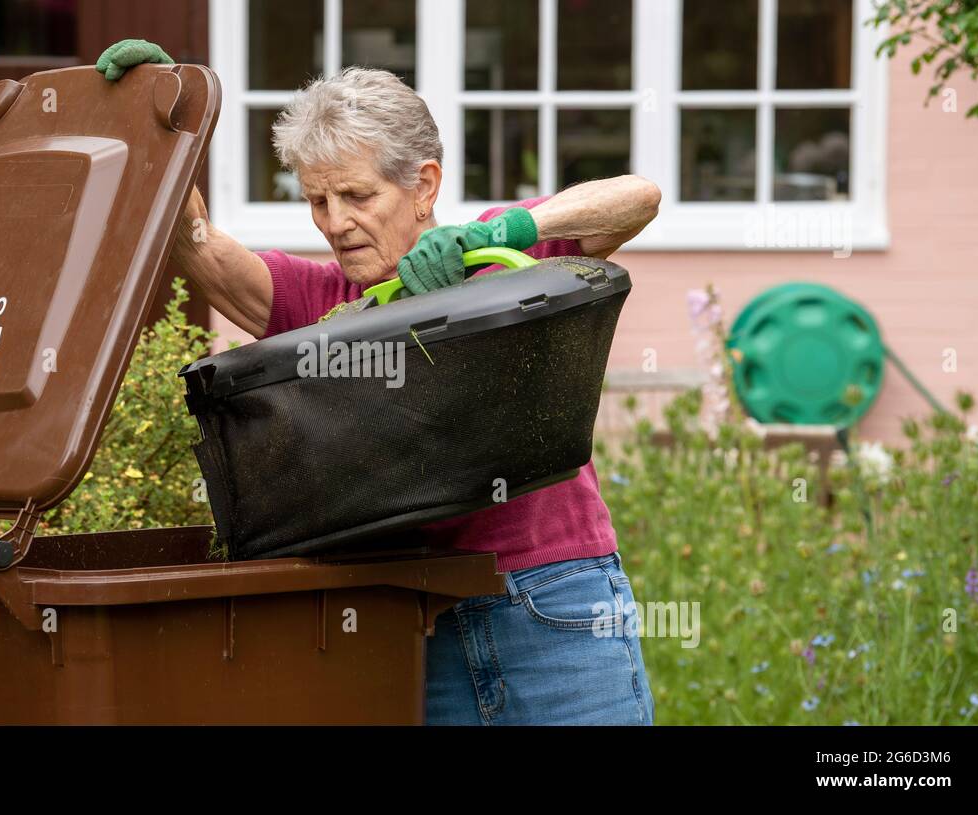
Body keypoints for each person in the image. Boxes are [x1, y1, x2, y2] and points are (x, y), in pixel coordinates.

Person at [97, 39, 661, 725]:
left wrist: (518, 223)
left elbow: (637, 198)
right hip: (413, 619)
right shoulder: (318, 305)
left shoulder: (497, 261)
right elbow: (193, 241)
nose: (335, 222)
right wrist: (161, 114)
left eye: (356, 195)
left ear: (423, 185)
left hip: (552, 603)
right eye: (317, 200)